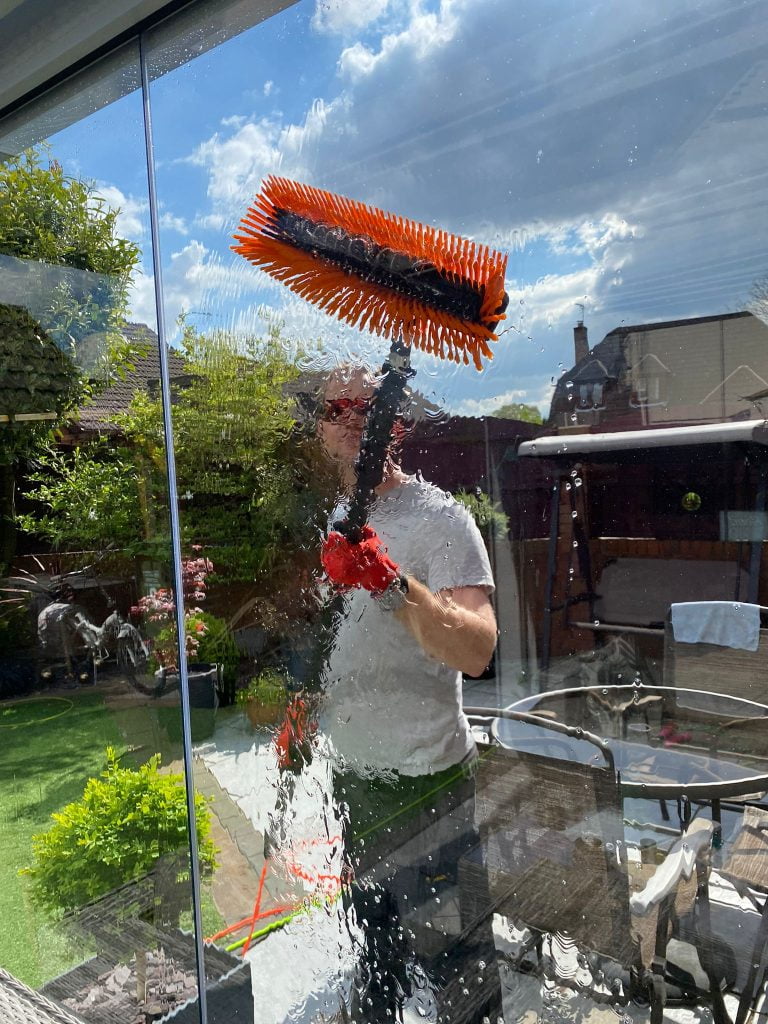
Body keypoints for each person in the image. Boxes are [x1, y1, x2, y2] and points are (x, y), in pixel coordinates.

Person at [316, 364, 503, 1024]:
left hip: (426, 786)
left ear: (394, 423)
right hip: (355, 777)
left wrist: (391, 583)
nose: (347, 420)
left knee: (460, 976)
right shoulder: (342, 514)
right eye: (333, 408)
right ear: (320, 430)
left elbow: (478, 651)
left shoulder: (441, 520)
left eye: (363, 407)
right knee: (376, 956)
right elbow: (351, 643)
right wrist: (309, 704)